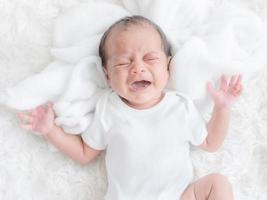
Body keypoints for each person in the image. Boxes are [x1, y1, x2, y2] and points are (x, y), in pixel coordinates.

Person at [17, 15, 242, 200]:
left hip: (179, 195)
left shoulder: (180, 106)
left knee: (217, 184)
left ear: (168, 67)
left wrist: (222, 109)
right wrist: (50, 130)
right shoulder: (108, 109)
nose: (137, 68)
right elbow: (85, 153)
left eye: (150, 58)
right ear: (107, 75)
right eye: (123, 63)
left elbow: (211, 143)